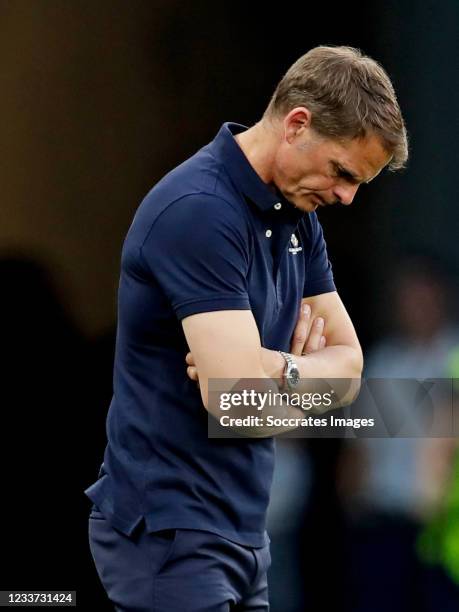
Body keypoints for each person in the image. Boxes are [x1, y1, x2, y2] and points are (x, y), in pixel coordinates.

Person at [85, 45, 408, 611]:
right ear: (297, 123)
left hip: (243, 529)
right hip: (171, 532)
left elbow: (351, 371)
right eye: (342, 172)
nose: (346, 197)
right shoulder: (199, 208)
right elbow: (238, 408)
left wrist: (275, 366)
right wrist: (303, 378)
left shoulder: (297, 215)